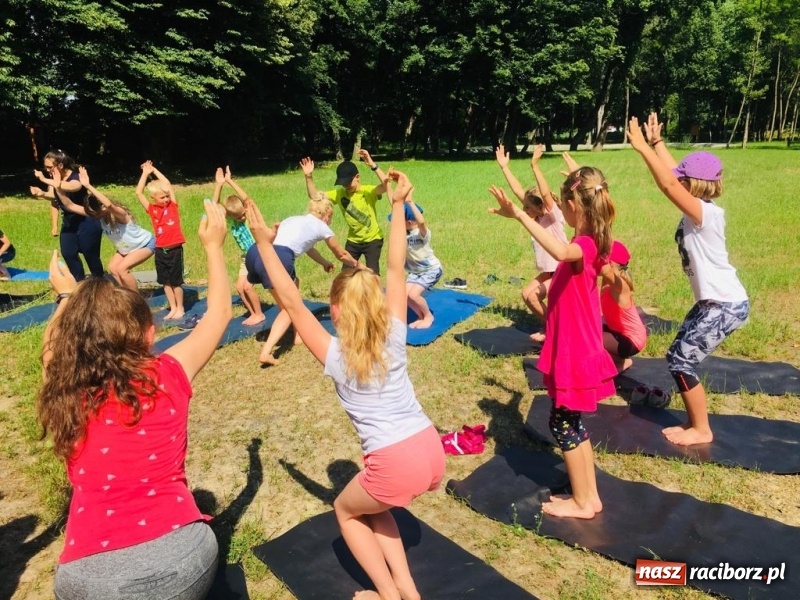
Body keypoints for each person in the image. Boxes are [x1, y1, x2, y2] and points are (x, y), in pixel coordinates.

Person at [246, 168, 445, 600]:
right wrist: (396, 205)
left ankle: (387, 595)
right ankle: (407, 590)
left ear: (335, 311)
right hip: (430, 447)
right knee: (378, 507)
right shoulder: (395, 330)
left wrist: (264, 243)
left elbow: (292, 302)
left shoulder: (335, 354)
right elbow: (394, 269)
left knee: (345, 510)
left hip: (396, 462)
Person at [38, 201, 233, 600]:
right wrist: (213, 247)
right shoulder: (168, 373)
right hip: (184, 563)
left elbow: (51, 353)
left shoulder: (65, 390)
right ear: (148, 336)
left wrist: (64, 299)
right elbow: (219, 315)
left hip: (87, 582)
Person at [488, 167, 618, 519]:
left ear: (575, 204)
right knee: (572, 423)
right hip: (574, 344)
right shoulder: (595, 239)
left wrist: (518, 214)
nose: (559, 208)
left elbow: (561, 251)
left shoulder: (583, 246)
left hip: (575, 350)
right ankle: (588, 496)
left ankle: (583, 501)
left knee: (562, 424)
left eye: (563, 203)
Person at [626, 114, 749, 446]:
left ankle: (700, 429)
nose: (677, 180)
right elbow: (675, 174)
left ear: (692, 185)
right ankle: (696, 423)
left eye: (683, 179)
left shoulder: (702, 213)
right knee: (676, 356)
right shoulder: (701, 208)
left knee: (681, 359)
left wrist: (641, 149)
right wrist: (656, 143)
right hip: (713, 302)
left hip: (724, 305)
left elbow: (667, 183)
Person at [246, 193, 363, 366]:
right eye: (330, 218)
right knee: (289, 308)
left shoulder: (294, 220)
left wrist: (324, 263)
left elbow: (307, 247)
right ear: (327, 215)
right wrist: (357, 265)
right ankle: (267, 351)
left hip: (256, 251)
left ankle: (297, 334)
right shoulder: (323, 227)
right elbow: (341, 254)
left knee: (294, 286)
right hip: (278, 256)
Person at [495, 143, 567, 342]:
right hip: (549, 271)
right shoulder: (535, 218)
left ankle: (555, 331)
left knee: (533, 296)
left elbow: (544, 194)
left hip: (563, 269)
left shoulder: (552, 216)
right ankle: (551, 326)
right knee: (526, 294)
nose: (523, 208)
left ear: (540, 207)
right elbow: (518, 190)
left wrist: (535, 166)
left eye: (527, 206)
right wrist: (504, 167)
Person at [54, 167, 155, 291]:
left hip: (145, 244)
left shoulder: (120, 215)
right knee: (113, 269)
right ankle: (126, 295)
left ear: (102, 209)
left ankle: (136, 298)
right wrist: (58, 187)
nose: (94, 216)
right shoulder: (99, 216)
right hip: (126, 249)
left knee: (122, 269)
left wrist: (88, 185)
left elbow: (109, 204)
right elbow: (70, 205)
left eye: (95, 213)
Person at [300, 149, 389, 274]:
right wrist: (308, 176)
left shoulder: (367, 192)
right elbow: (315, 196)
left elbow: (386, 186)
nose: (345, 186)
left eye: (348, 182)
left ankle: (377, 293)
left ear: (357, 177)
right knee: (346, 275)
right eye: (343, 183)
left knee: (372, 274)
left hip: (373, 239)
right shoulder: (339, 193)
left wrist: (372, 165)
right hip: (353, 241)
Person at [30, 150, 104, 281]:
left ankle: (100, 282)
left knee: (90, 254)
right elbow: (54, 197)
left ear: (60, 165)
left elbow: (72, 187)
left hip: (87, 220)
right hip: (70, 222)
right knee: (68, 253)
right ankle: (78, 282)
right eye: (45, 167)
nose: (47, 170)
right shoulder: (54, 179)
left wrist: (44, 179)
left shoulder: (75, 177)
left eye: (49, 167)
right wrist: (41, 193)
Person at [211, 166, 265, 326]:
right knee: (239, 287)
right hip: (246, 257)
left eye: (243, 214)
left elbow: (247, 199)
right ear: (230, 216)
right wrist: (219, 185)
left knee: (248, 287)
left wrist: (229, 180)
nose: (242, 217)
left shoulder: (248, 214)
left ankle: (259, 314)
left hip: (259, 252)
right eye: (238, 216)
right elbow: (214, 206)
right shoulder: (230, 219)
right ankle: (254, 313)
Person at [136, 160, 186, 320]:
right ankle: (172, 307)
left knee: (176, 282)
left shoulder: (173, 206)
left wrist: (154, 170)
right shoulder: (152, 209)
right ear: (153, 198)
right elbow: (138, 193)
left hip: (175, 250)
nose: (165, 199)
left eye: (166, 196)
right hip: (160, 249)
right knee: (165, 281)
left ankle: (180, 307)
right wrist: (144, 174)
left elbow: (168, 184)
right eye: (162, 197)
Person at [392, 189, 442, 329]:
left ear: (408, 222)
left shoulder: (421, 234)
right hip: (416, 272)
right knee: (405, 295)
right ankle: (421, 316)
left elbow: (421, 221)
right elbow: (393, 205)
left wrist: (410, 202)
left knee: (413, 295)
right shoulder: (403, 235)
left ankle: (428, 316)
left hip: (431, 270)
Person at [600, 240, 647, 373]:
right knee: (588, 329)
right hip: (618, 332)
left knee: (589, 339)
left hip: (631, 341)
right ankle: (620, 361)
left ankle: (618, 362)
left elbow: (604, 270)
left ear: (610, 263)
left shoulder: (619, 286)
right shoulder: (608, 282)